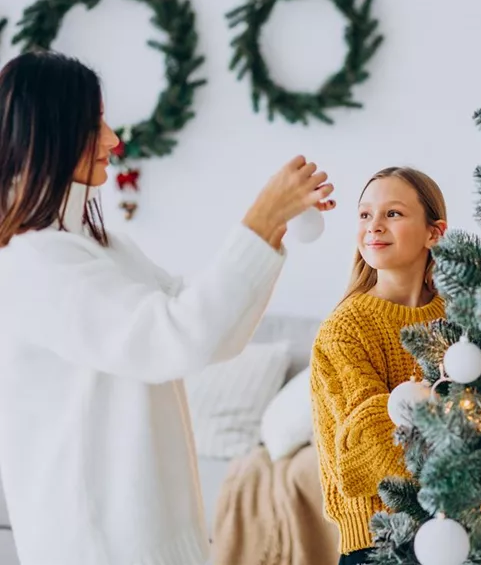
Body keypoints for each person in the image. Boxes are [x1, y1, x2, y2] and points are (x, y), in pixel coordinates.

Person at [0, 51, 335, 565]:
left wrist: (272, 228)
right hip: (96, 547)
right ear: (50, 134)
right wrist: (260, 220)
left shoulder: (104, 246)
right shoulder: (34, 263)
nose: (113, 139)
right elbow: (176, 337)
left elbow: (214, 332)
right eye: (94, 124)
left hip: (157, 538)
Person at [310, 167, 448, 565]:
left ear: (434, 232)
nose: (374, 226)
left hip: (461, 528)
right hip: (380, 544)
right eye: (365, 214)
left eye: (393, 214)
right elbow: (367, 448)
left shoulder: (459, 317)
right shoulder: (344, 329)